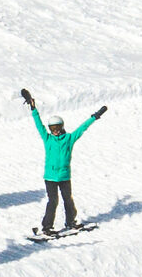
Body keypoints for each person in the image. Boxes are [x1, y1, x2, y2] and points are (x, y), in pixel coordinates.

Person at [21, 89, 107, 233]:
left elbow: (82, 128)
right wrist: (33, 107)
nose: (54, 130)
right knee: (53, 201)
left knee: (68, 200)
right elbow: (38, 123)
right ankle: (47, 227)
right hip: (50, 177)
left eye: (57, 127)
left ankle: (71, 222)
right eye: (52, 128)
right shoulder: (47, 139)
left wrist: (95, 117)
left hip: (65, 176)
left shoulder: (69, 139)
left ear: (61, 127)